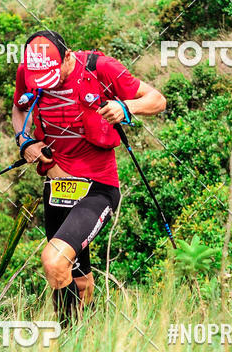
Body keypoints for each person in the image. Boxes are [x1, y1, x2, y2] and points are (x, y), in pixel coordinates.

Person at [12, 29, 166, 322]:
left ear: (68, 57)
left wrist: (125, 107)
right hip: (57, 186)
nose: (50, 84)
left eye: (54, 74)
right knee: (77, 278)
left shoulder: (101, 68)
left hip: (97, 188)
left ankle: (67, 337)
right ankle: (87, 336)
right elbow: (18, 109)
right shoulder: (28, 72)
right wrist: (25, 141)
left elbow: (157, 100)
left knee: (54, 262)